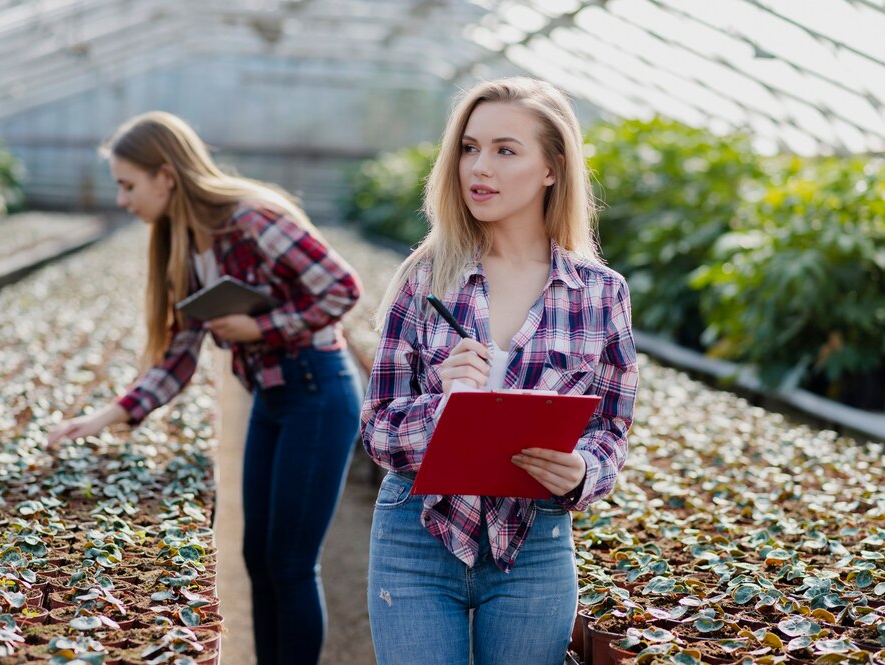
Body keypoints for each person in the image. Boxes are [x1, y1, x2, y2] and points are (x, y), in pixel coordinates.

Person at [47, 111, 365, 665]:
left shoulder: (251, 219)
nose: (123, 200)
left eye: (128, 185)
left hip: (318, 395)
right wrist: (106, 416)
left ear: (165, 176)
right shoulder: (187, 245)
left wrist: (258, 328)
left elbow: (342, 289)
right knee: (255, 556)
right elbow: (179, 358)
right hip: (271, 398)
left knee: (290, 563)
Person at [361, 77, 639, 664]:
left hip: (535, 543)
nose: (478, 167)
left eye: (505, 150)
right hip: (418, 532)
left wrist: (581, 471)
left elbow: (611, 427)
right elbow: (377, 428)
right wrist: (444, 400)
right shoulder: (426, 277)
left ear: (552, 169)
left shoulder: (599, 293)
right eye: (469, 147)